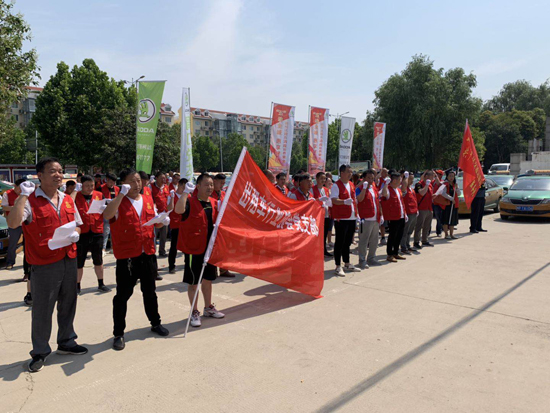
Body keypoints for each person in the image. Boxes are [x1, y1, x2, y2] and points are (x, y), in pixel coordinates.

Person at [7, 157, 87, 373]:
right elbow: (13, 223)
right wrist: (22, 196)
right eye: (52, 171)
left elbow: (78, 224)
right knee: (43, 309)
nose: (58, 175)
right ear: (40, 175)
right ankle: (40, 351)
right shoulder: (30, 200)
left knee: (68, 303)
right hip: (44, 264)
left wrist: (76, 233)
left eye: (60, 171)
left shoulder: (67, 199)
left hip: (69, 259)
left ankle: (67, 341)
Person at [103, 168, 170, 351]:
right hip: (127, 257)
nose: (136, 184)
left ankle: (155, 323)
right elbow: (107, 215)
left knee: (150, 292)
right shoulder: (118, 201)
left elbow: (153, 221)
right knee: (122, 296)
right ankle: (118, 333)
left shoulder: (147, 199)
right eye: (132, 181)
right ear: (123, 183)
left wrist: (161, 221)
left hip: (147, 254)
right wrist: (120, 195)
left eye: (139, 180)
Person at [175, 174, 225, 328]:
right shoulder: (190, 201)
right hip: (193, 249)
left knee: (208, 279)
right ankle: (194, 311)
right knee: (194, 282)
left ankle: (208, 307)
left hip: (209, 248)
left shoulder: (214, 203)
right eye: (206, 184)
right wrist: (185, 192)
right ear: (198, 186)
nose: (210, 187)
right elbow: (178, 210)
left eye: (211, 184)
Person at [74, 175, 111, 294]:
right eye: (87, 186)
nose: (90, 188)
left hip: (97, 231)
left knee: (98, 260)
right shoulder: (76, 196)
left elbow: (106, 211)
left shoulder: (99, 195)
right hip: (82, 233)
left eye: (92, 185)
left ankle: (101, 283)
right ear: (81, 185)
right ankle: (77, 285)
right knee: (79, 261)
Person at [330, 164, 361, 276]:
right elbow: (334, 200)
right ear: (342, 173)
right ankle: (338, 266)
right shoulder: (336, 185)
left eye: (351, 172)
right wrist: (343, 202)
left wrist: (357, 214)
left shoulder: (351, 184)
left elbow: (354, 199)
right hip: (341, 218)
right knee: (340, 242)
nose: (350, 174)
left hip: (351, 217)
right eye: (348, 172)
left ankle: (347, 263)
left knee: (347, 242)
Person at [356, 169, 382, 269]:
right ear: (364, 178)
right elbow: (359, 199)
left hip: (375, 218)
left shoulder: (374, 188)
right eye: (368, 178)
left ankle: (371, 258)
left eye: (372, 178)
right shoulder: (359, 188)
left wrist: (381, 215)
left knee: (374, 240)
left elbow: (378, 202)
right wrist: (364, 188)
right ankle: (362, 260)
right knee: (363, 241)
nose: (371, 180)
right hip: (365, 219)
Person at [381, 172, 407, 262]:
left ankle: (396, 252)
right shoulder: (388, 189)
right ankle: (389, 254)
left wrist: (405, 214)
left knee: (399, 235)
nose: (401, 181)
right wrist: (385, 184)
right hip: (393, 217)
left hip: (401, 215)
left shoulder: (398, 190)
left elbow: (401, 203)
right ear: (395, 180)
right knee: (392, 236)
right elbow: (384, 194)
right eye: (399, 179)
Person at [167, 178, 187, 274]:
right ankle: (171, 266)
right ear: (179, 185)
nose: (184, 189)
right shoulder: (172, 195)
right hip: (175, 224)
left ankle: (187, 264)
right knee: (174, 246)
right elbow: (169, 208)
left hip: (185, 224)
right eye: (183, 186)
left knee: (187, 245)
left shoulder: (187, 196)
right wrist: (171, 197)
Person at [435, 170, 461, 239]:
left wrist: (457, 188)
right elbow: (443, 193)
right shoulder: (445, 184)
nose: (451, 177)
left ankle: (451, 234)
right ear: (447, 176)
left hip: (454, 205)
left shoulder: (455, 184)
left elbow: (459, 194)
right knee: (445, 220)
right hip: (446, 205)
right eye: (450, 176)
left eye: (452, 176)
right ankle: (446, 234)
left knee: (452, 220)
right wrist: (451, 198)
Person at [312, 172, 332, 257]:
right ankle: (316, 251)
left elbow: (329, 199)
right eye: (321, 178)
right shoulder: (312, 189)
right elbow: (311, 201)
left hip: (326, 214)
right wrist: (319, 199)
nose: (323, 180)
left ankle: (324, 250)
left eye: (324, 179)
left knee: (324, 233)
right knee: (318, 234)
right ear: (316, 179)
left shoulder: (326, 189)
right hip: (317, 215)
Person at [414, 170, 435, 249]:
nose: (432, 178)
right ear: (426, 176)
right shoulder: (419, 184)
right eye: (431, 176)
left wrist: (435, 195)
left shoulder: (430, 185)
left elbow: (430, 196)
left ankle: (424, 240)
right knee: (419, 226)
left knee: (427, 225)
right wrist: (426, 185)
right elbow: (422, 193)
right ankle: (416, 241)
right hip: (422, 208)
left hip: (429, 208)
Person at [151, 171, 170, 258]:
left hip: (165, 214)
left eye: (164, 178)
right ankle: (152, 252)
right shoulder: (151, 187)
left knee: (164, 235)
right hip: (155, 215)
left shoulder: (166, 187)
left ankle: (162, 251)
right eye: (162, 178)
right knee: (154, 234)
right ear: (156, 178)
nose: (163, 180)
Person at [400, 171, 419, 255]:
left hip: (414, 212)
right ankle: (403, 247)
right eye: (410, 179)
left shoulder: (412, 189)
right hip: (408, 212)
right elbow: (404, 188)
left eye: (412, 179)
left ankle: (407, 245)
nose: (411, 181)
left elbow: (414, 200)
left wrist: (417, 210)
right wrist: (405, 178)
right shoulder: (403, 188)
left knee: (410, 231)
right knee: (405, 231)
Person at [100, 173, 119, 253]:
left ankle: (113, 247)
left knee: (115, 230)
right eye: (111, 182)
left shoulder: (117, 189)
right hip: (105, 211)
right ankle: (103, 248)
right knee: (106, 230)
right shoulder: (101, 188)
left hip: (115, 211)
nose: (112, 184)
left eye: (114, 182)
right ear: (107, 180)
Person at [376, 168, 389, 245]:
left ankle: (383, 236)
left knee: (384, 221)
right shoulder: (379, 180)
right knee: (379, 220)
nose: (386, 174)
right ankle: (378, 236)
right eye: (384, 172)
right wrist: (380, 172)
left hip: (385, 202)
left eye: (387, 172)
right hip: (379, 202)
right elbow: (376, 179)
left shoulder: (388, 180)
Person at [432, 170, 444, 237]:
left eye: (438, 174)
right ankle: (427, 232)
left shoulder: (443, 182)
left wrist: (435, 176)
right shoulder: (433, 182)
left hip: (439, 203)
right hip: (433, 202)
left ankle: (439, 231)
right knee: (429, 219)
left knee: (439, 218)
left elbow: (439, 183)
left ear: (441, 175)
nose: (436, 175)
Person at [324, 177, 334, 247]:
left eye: (331, 181)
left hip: (331, 211)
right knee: (325, 228)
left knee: (330, 227)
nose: (330, 183)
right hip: (325, 212)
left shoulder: (331, 190)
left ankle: (329, 241)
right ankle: (324, 242)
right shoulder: (324, 190)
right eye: (328, 181)